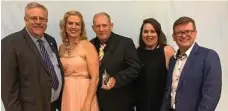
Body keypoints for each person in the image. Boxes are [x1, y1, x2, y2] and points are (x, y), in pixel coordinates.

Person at [1, 2, 64, 111]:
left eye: (42, 18)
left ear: (47, 21)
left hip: (52, 106)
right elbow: (8, 89)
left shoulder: (51, 40)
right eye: (34, 18)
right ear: (25, 19)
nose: (38, 22)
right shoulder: (10, 43)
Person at [160, 16, 222, 111]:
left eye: (188, 31)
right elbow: (169, 90)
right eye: (179, 33)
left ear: (195, 33)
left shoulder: (208, 56)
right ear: (173, 37)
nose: (184, 35)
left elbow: (211, 95)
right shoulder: (173, 59)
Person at [90, 12, 141, 111]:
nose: (101, 29)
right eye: (98, 26)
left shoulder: (125, 43)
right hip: (96, 104)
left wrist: (116, 79)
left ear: (111, 26)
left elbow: (136, 68)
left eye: (104, 25)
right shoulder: (89, 46)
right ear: (93, 28)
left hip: (120, 103)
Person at [59, 10, 99, 111]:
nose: (73, 27)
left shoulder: (88, 46)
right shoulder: (61, 47)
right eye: (70, 23)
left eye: (77, 24)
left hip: (84, 94)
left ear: (81, 28)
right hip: (66, 94)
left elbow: (95, 77)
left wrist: (87, 103)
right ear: (65, 25)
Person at [135, 18, 175, 111]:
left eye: (152, 31)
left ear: (158, 33)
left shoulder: (167, 51)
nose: (149, 35)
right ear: (141, 34)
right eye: (145, 32)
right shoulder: (136, 52)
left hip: (162, 105)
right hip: (142, 105)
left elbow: (176, 81)